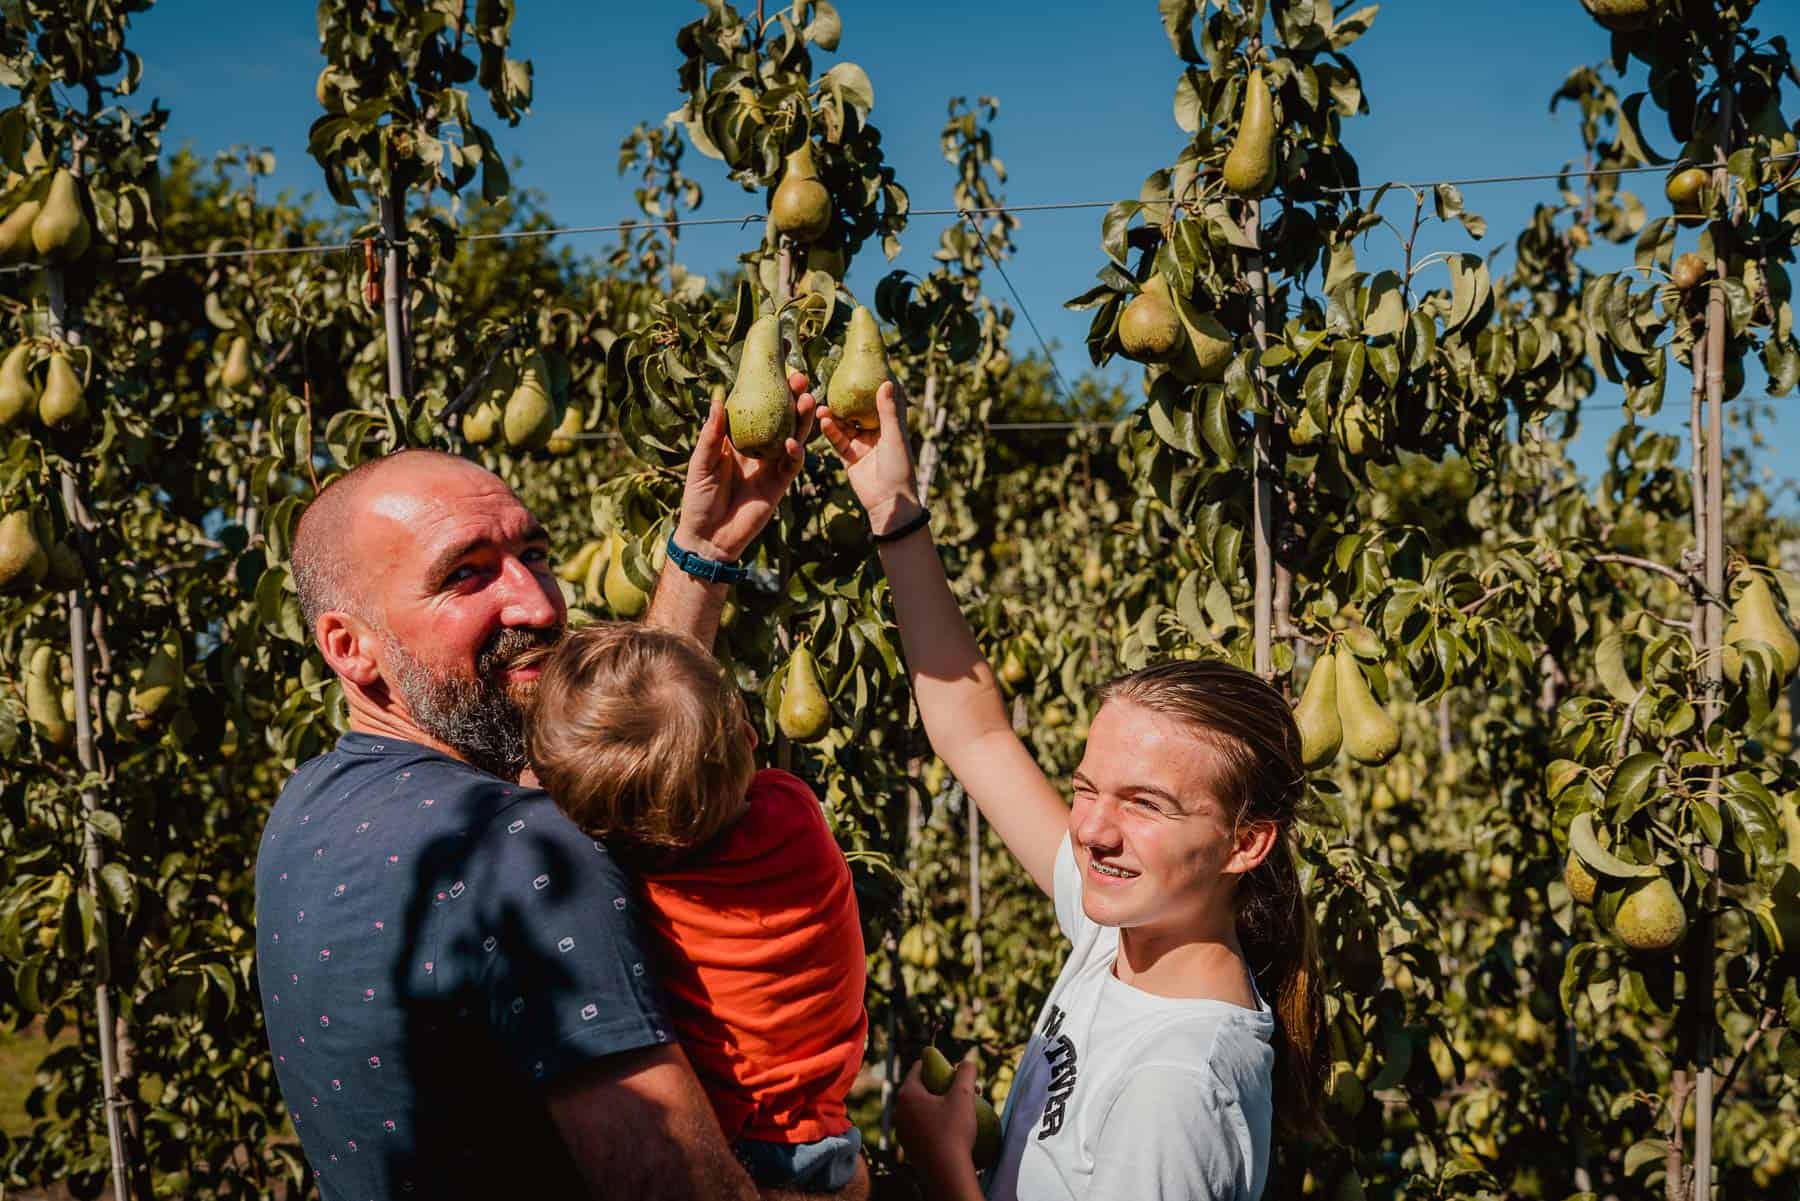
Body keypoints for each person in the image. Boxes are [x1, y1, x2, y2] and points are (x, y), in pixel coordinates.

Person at [254, 379, 868, 1201]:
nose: (539, 603)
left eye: (535, 556)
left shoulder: (309, 805)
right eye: (466, 575)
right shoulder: (529, 856)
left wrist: (702, 551)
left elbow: (627, 750)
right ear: (348, 646)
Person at [817, 383, 1324, 1201]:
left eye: (1145, 803)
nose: (1093, 829)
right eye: (1087, 789)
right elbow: (976, 733)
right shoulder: (1117, 934)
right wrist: (892, 509)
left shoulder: (1174, 1093)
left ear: (1246, 842)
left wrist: (945, 1163)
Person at [521, 621, 867, 1192]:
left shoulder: (640, 884)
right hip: (826, 1131)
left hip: (737, 1139)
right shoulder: (797, 808)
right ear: (749, 740)